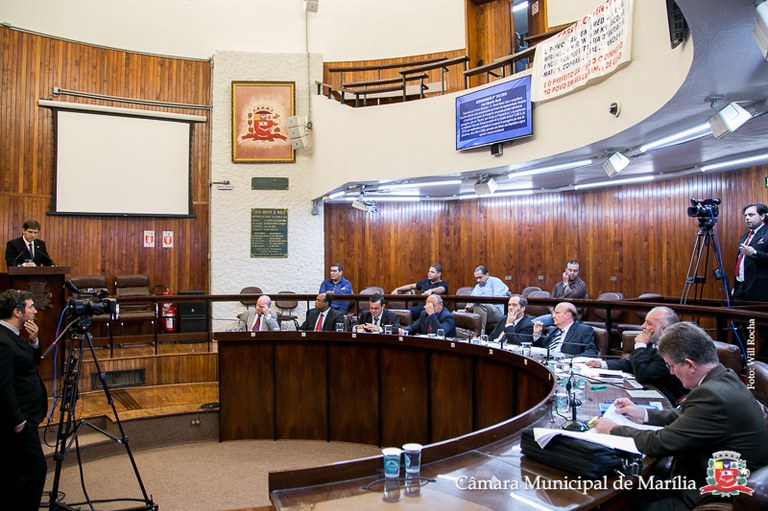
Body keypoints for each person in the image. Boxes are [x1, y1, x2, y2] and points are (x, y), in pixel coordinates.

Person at [595, 322, 768, 510]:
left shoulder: (712, 395)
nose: (670, 372)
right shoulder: (725, 377)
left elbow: (660, 442)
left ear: (689, 365)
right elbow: (685, 415)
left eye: (670, 365)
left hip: (713, 493)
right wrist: (642, 413)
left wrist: (613, 429)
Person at [0, 289, 48, 511]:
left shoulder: (14, 336)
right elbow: (4, 385)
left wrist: (34, 341)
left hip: (27, 414)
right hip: (20, 418)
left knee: (19, 469)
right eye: (30, 307)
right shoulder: (3, 341)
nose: (35, 311)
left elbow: (30, 363)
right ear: (17, 312)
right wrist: (18, 421)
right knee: (35, 468)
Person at [586, 306, 688, 403]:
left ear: (664, 329)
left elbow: (643, 374)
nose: (643, 326)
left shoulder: (671, 350)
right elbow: (631, 364)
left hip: (665, 400)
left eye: (649, 323)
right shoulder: (654, 343)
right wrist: (602, 364)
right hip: (648, 391)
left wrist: (640, 345)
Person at [533, 260, 589, 326]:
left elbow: (570, 297)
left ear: (578, 271)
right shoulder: (558, 285)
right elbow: (550, 302)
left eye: (575, 271)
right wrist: (553, 313)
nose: (572, 273)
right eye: (570, 270)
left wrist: (565, 283)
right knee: (532, 323)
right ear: (565, 270)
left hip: (571, 318)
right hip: (555, 316)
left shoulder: (581, 285)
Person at [532, 302, 598, 357]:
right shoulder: (553, 330)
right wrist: (537, 334)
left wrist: (570, 359)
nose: (553, 316)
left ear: (568, 315)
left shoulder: (583, 330)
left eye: (557, 313)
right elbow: (543, 348)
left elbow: (591, 352)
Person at [733, 203, 768, 302]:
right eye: (745, 216)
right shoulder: (745, 236)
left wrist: (754, 253)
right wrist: (735, 285)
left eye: (751, 215)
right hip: (741, 285)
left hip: (759, 288)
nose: (747, 218)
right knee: (736, 315)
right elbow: (740, 262)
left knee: (754, 317)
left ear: (762, 216)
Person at [465, 265, 509, 333]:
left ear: (487, 274)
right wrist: (468, 307)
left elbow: (497, 299)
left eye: (480, 277)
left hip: (497, 311)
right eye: (476, 278)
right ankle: (465, 336)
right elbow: (471, 300)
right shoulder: (477, 286)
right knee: (459, 313)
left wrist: (478, 303)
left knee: (479, 305)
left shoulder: (496, 281)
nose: (478, 280)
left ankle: (479, 334)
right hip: (480, 309)